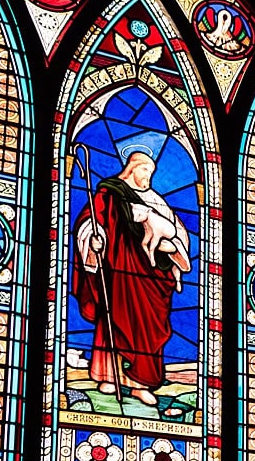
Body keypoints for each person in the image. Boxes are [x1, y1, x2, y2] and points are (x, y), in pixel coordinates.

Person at [73, 147, 189, 407]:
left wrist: (174, 248)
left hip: (151, 277)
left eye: (151, 171)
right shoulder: (110, 192)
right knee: (113, 319)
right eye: (145, 169)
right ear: (132, 167)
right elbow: (90, 220)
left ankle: (141, 385)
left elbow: (177, 233)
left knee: (148, 328)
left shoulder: (156, 201)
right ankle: (108, 376)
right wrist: (95, 238)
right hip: (119, 271)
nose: (149, 175)